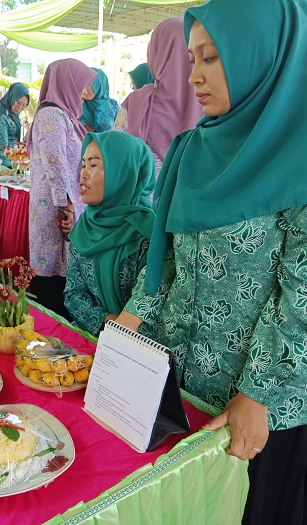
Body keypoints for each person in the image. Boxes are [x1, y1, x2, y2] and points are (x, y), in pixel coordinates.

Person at [115, 1, 307, 524]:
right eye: (191, 60)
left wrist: (257, 393)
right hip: (179, 383)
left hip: (257, 406)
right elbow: (164, 258)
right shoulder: (191, 150)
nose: (195, 77)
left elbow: (301, 299)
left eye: (212, 59)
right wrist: (132, 318)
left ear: (262, 58)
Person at [64, 131, 155, 336]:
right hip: (91, 337)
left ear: (123, 172)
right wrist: (106, 321)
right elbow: (73, 294)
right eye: (83, 165)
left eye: (94, 165)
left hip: (137, 351)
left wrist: (124, 327)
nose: (83, 174)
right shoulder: (85, 227)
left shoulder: (148, 233)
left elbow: (156, 305)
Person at [26, 59, 97, 317]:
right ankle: (52, 332)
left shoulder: (63, 115)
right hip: (55, 208)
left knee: (60, 270)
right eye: (82, 86)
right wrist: (66, 207)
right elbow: (56, 165)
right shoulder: (51, 115)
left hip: (60, 205)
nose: (85, 93)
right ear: (67, 83)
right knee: (52, 275)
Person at [115, 18, 203, 177]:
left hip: (142, 200)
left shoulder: (136, 104)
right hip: (192, 197)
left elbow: (114, 154)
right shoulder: (214, 106)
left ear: (156, 52)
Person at [0, 82, 30, 167]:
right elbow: (4, 146)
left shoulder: (14, 116)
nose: (20, 108)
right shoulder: (1, 117)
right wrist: (19, 155)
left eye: (24, 105)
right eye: (18, 103)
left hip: (11, 160)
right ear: (12, 98)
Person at [79, 68, 120, 133]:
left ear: (99, 84)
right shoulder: (78, 104)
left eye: (89, 84)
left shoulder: (113, 105)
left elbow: (120, 131)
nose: (85, 89)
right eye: (84, 84)